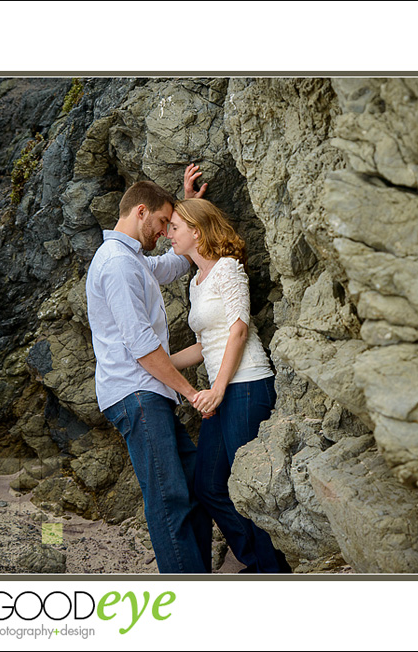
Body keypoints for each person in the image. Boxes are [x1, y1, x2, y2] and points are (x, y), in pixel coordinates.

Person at [85, 166, 213, 574]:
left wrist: (183, 211)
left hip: (148, 393)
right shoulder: (117, 265)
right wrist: (191, 394)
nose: (163, 231)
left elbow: (175, 263)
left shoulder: (132, 259)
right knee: (169, 497)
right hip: (136, 393)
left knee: (193, 488)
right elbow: (142, 347)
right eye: (160, 222)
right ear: (140, 212)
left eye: (167, 225)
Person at [168, 193, 291, 574]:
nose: (169, 234)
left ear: (195, 230)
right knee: (209, 487)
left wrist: (218, 389)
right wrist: (157, 365)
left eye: (175, 228)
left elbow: (238, 329)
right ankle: (260, 563)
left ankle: (273, 571)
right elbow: (206, 345)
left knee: (248, 485)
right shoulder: (197, 282)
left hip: (247, 385)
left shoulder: (228, 269)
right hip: (219, 392)